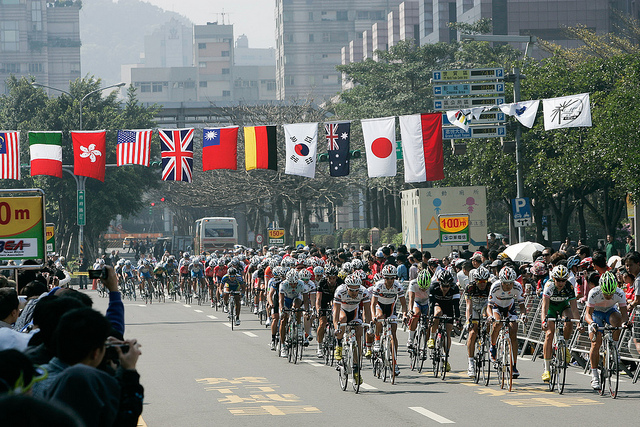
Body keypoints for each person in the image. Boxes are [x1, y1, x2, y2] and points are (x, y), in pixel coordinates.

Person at [584, 271, 630, 390]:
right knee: (595, 343)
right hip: (596, 314)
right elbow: (587, 315)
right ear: (601, 289)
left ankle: (614, 347)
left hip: (610, 311)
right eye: (606, 294)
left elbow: (624, 313)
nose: (609, 296)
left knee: (618, 319)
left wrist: (625, 323)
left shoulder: (619, 293)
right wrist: (592, 323)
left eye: (611, 294)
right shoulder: (593, 293)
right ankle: (594, 376)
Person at [540, 265, 581, 383]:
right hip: (551, 308)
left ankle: (565, 347)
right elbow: (544, 306)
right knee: (549, 333)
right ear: (554, 278)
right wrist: (544, 321)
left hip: (563, 306)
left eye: (564, 280)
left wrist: (578, 323)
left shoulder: (569, 286)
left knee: (569, 320)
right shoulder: (549, 286)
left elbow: (574, 308)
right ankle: (546, 369)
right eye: (558, 280)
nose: (561, 283)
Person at [332, 273, 371, 385]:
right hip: (342, 310)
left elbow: (367, 312)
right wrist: (336, 328)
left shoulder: (364, 291)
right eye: (352, 290)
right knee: (342, 319)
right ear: (347, 287)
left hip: (354, 312)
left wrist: (368, 326)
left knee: (359, 333)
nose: (354, 293)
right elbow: (336, 314)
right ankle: (339, 345)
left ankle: (356, 368)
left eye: (356, 290)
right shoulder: (340, 291)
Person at [488, 266, 527, 379]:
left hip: (509, 307)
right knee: (498, 323)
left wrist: (523, 315)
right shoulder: (495, 286)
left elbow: (521, 305)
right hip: (497, 307)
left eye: (510, 283)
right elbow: (489, 306)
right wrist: (490, 316)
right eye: (505, 283)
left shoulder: (517, 286)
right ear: (501, 281)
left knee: (513, 331)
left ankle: (514, 365)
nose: (508, 286)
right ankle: (493, 346)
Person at [370, 264, 407, 377]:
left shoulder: (398, 286)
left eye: (392, 278)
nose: (390, 280)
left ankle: (395, 362)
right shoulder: (378, 285)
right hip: (379, 306)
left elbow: (404, 304)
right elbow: (372, 304)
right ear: (383, 277)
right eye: (387, 278)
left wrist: (405, 314)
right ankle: (377, 341)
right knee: (380, 317)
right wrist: (373, 316)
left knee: (393, 332)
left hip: (391, 307)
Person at [426, 269, 461, 373]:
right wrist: (431, 317)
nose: (445, 288)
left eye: (447, 286)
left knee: (448, 333)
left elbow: (456, 306)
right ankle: (432, 338)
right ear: (439, 283)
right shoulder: (434, 287)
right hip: (437, 305)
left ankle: (445, 359)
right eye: (443, 286)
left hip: (449, 306)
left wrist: (458, 320)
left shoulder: (454, 288)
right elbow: (431, 305)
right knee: (437, 313)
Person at [464, 266, 491, 377]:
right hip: (474, 308)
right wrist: (468, 320)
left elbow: (491, 304)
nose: (482, 284)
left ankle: (490, 342)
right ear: (475, 281)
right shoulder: (470, 287)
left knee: (489, 320)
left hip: (485, 306)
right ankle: (471, 364)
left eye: (484, 281)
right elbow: (468, 306)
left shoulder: (490, 287)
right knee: (473, 332)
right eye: (480, 281)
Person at [278, 270, 306, 358]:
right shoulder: (283, 284)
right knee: (283, 321)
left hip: (296, 298)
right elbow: (281, 299)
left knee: (297, 306)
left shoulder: (301, 284)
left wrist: (307, 309)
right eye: (291, 283)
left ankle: (298, 326)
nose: (293, 285)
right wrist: (282, 310)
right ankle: (282, 345)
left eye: (295, 283)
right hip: (286, 300)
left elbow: (305, 297)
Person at [406, 269, 431, 349]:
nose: (423, 290)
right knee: (416, 313)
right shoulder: (413, 283)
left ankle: (426, 344)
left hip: (426, 302)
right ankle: (410, 339)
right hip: (416, 301)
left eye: (425, 288)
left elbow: (432, 301)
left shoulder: (432, 284)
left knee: (428, 321)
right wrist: (410, 311)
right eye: (421, 288)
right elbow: (411, 298)